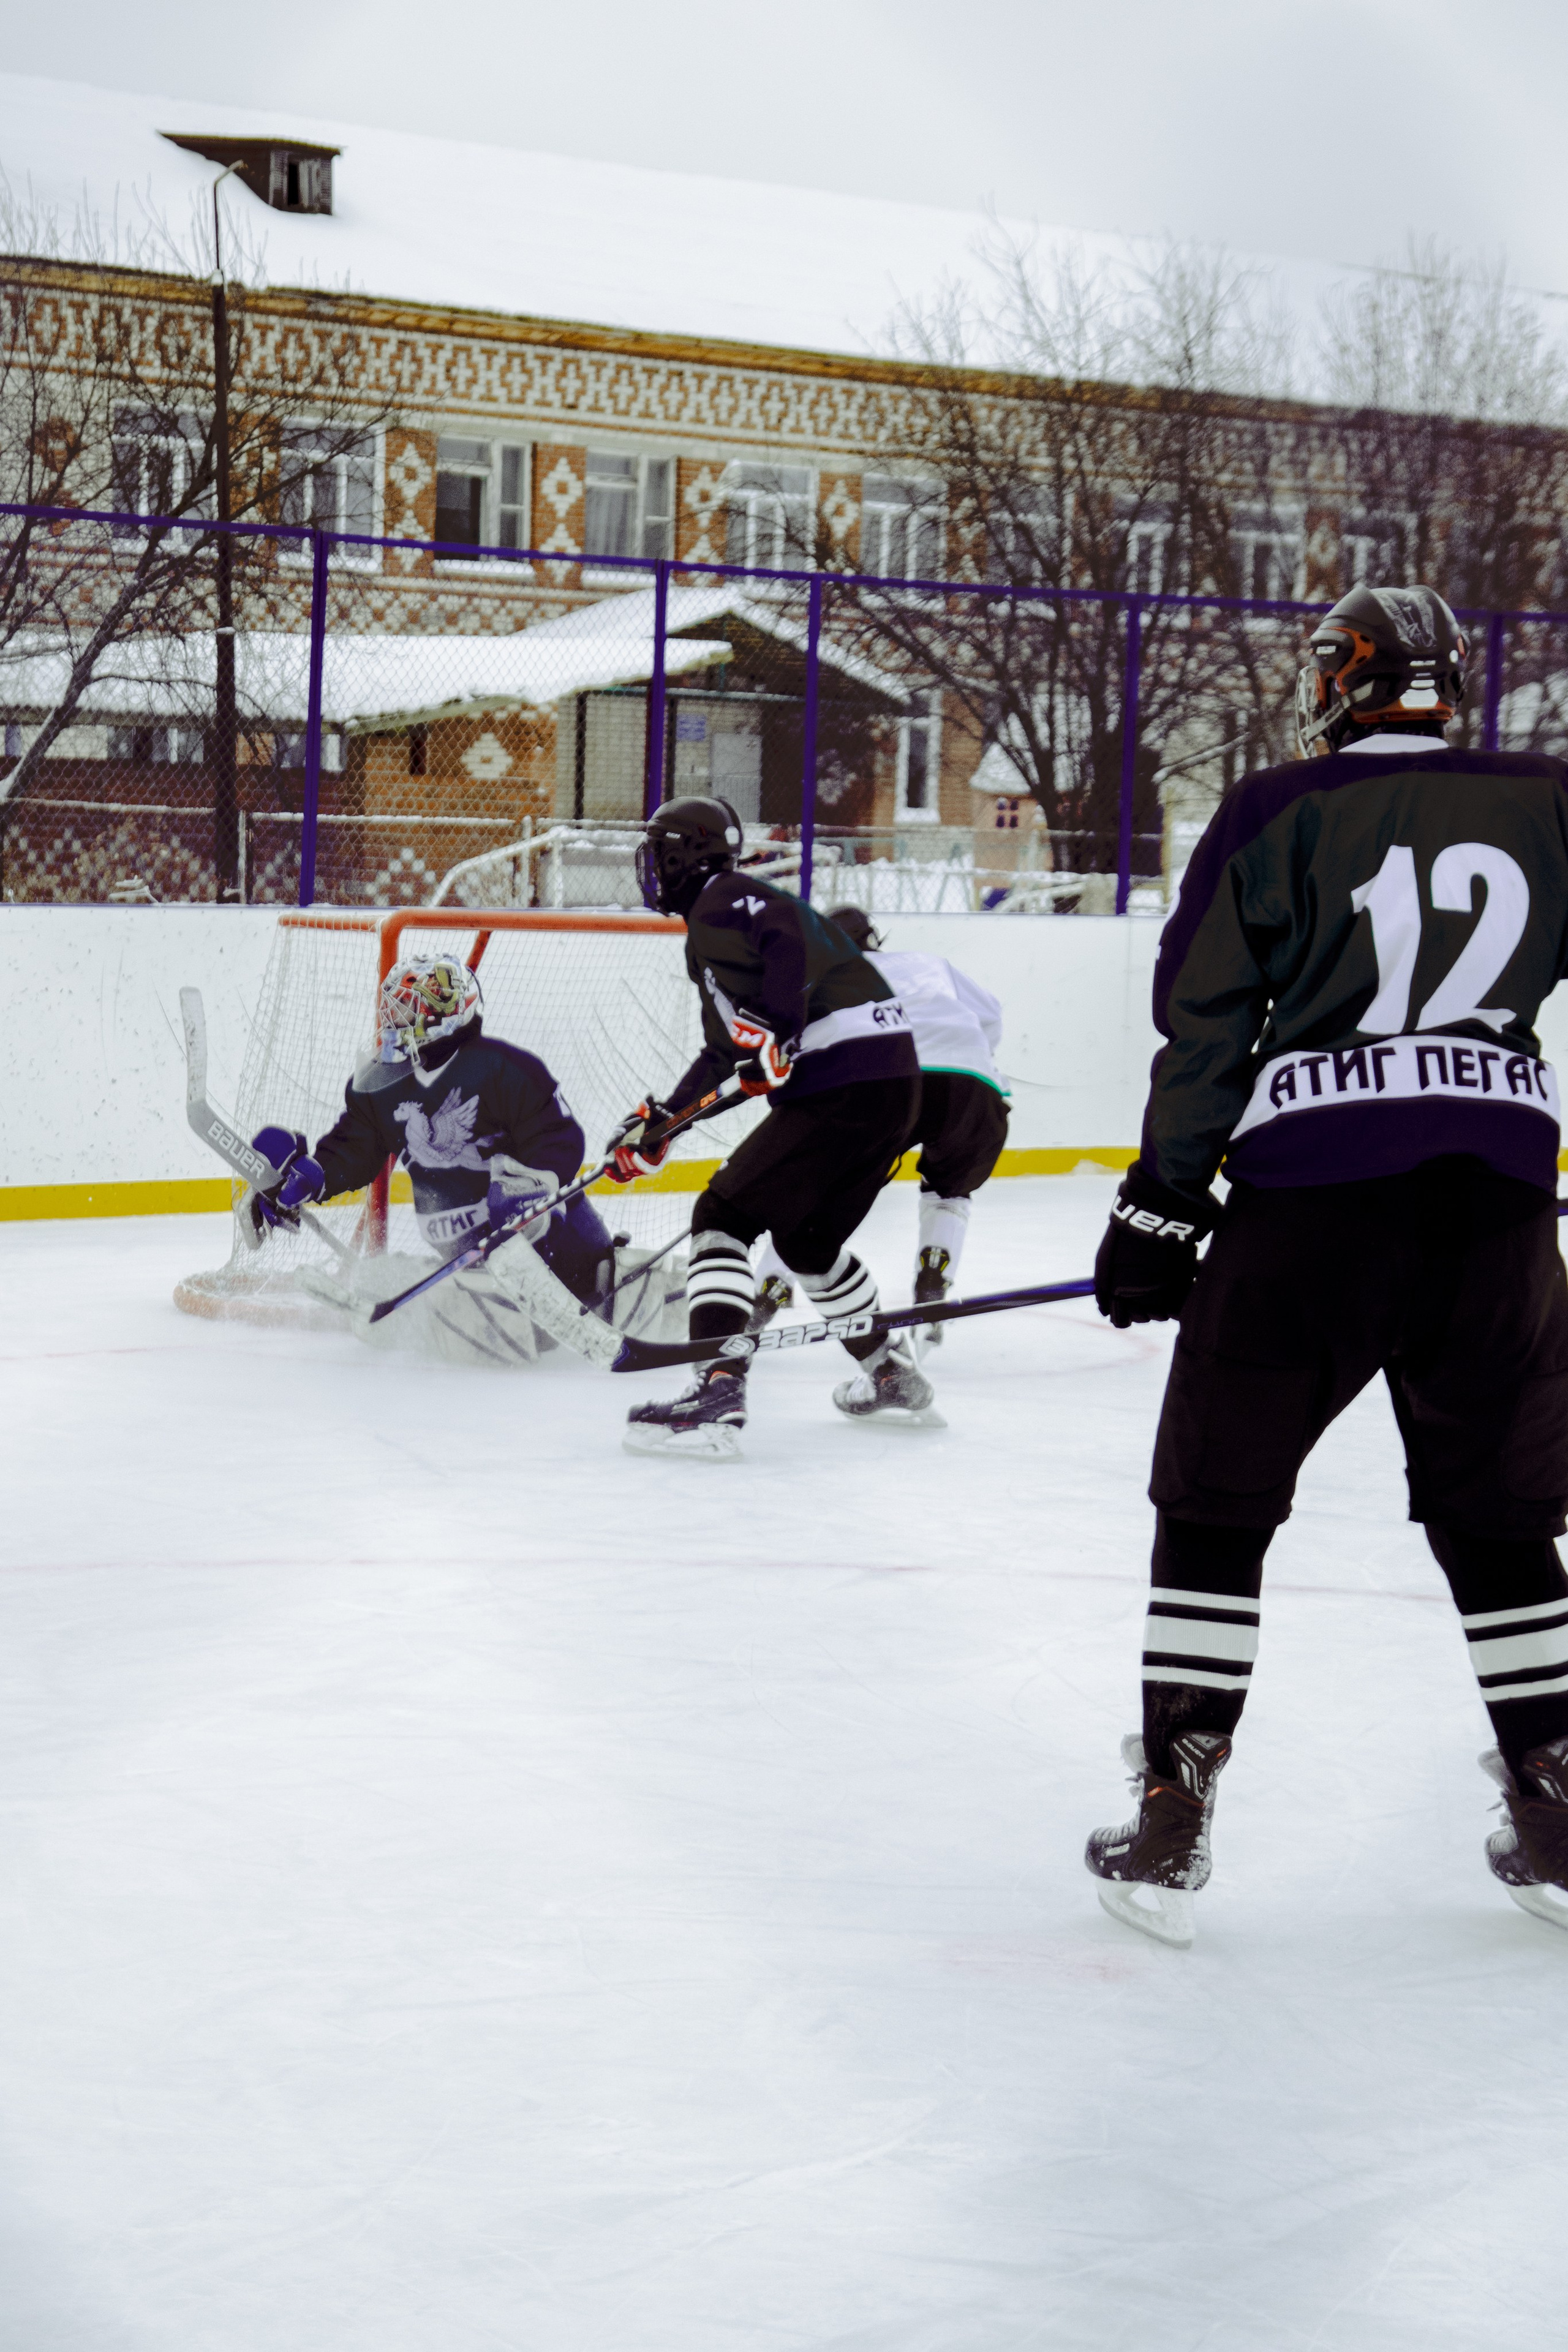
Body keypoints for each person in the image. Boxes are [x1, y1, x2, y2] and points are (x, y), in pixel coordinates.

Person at [1085, 584, 1568, 1946]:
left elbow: (1206, 1027)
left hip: (1309, 1203)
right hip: (1494, 1205)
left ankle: (1172, 1808)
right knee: (1501, 1516)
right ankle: (1558, 1796)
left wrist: (1161, 1204)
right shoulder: (1548, 799)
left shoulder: (1267, 810)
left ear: (1338, 681)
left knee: (1215, 1501)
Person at [611, 796, 930, 1459]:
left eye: (656, 852)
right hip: (892, 1083)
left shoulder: (719, 902)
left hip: (846, 1083)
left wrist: (779, 1026)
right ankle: (890, 1372)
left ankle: (715, 1392)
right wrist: (665, 1123)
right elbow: (730, 1055)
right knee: (808, 1243)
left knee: (722, 1215)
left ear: (679, 855)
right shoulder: (730, 913)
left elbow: (777, 963)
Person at [249, 955, 673, 1365]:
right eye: (393, 1012)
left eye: (408, 1011)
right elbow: (355, 1146)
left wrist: (533, 1186)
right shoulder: (380, 1084)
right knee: (391, 1282)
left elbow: (556, 1135)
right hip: (469, 1259)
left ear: (443, 1014)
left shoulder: (502, 1068)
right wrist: (316, 1175)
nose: (394, 1023)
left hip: (557, 1243)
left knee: (595, 1283)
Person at [817, 905, 1008, 1344]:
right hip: (975, 1081)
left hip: (889, 1081)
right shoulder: (927, 963)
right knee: (949, 1189)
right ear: (875, 938)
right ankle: (933, 1282)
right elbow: (991, 1015)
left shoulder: (832, 979)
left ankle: (768, 1291)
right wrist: (968, 1060)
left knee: (819, 1187)